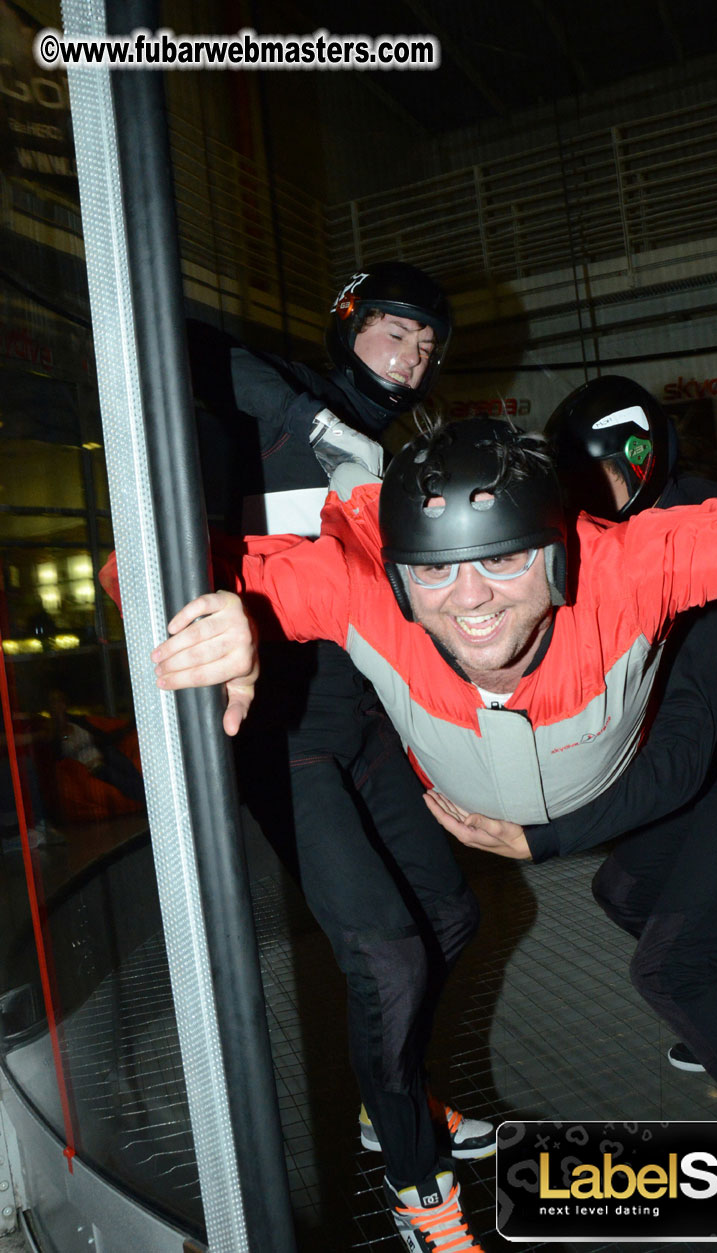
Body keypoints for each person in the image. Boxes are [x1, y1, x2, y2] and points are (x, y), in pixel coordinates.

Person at [152, 416, 717, 1168]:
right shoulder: (356, 584)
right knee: (617, 899)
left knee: (673, 957)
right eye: (433, 570)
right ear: (397, 571)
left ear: (558, 553)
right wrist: (219, 616)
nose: (469, 603)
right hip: (542, 793)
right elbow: (138, 560)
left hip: (696, 776)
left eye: (504, 558)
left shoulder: (635, 565)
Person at [434, 376, 717, 1133]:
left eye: (603, 480)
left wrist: (545, 836)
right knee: (624, 890)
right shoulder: (643, 520)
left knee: (670, 969)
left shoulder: (692, 535)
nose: (590, 504)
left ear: (644, 461)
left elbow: (679, 752)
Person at [185, 264, 492, 1253]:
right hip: (277, 727)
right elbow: (184, 347)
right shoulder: (274, 398)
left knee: (449, 910)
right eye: (395, 333)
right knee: (387, 951)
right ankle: (417, 1187)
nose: (410, 358)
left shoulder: (395, 446)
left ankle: (386, 1096)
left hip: (359, 715)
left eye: (426, 347)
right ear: (348, 322)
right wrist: (308, 418)